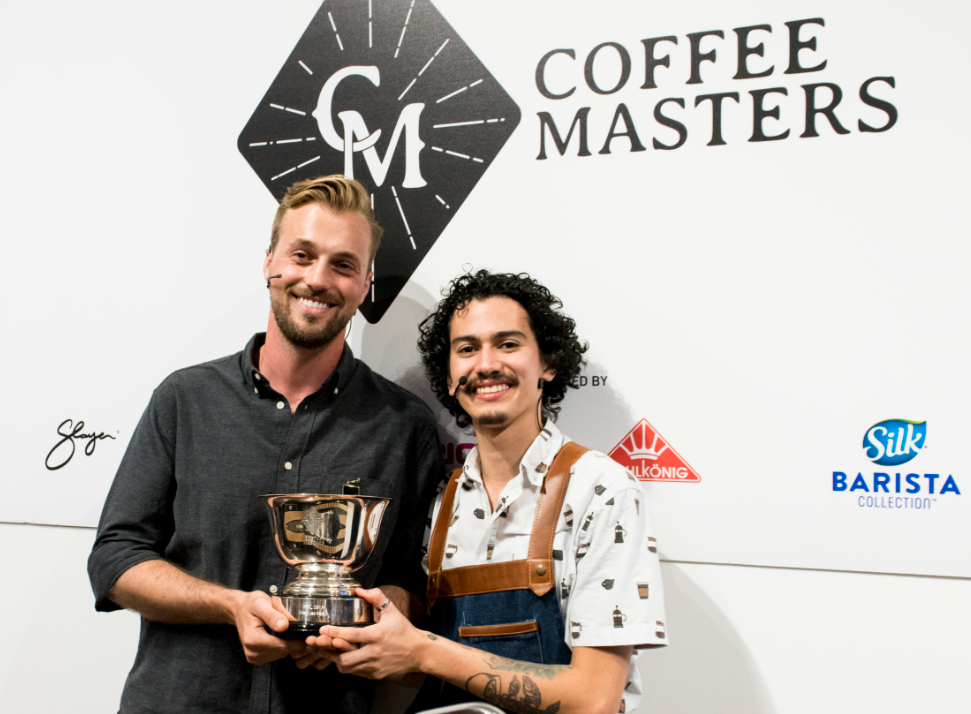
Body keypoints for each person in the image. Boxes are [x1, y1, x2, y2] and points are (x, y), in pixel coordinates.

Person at [87, 175, 444, 714]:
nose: (317, 279)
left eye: (343, 265)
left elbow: (409, 583)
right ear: (270, 262)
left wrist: (360, 623)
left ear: (365, 283)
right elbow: (115, 558)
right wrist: (230, 606)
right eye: (302, 255)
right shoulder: (185, 399)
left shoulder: (403, 424)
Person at [311, 270, 668, 714]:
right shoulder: (443, 502)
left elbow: (593, 699)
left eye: (508, 344)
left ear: (548, 364)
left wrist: (422, 651)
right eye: (467, 349)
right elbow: (443, 668)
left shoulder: (602, 491)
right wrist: (362, 648)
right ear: (448, 377)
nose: (486, 364)